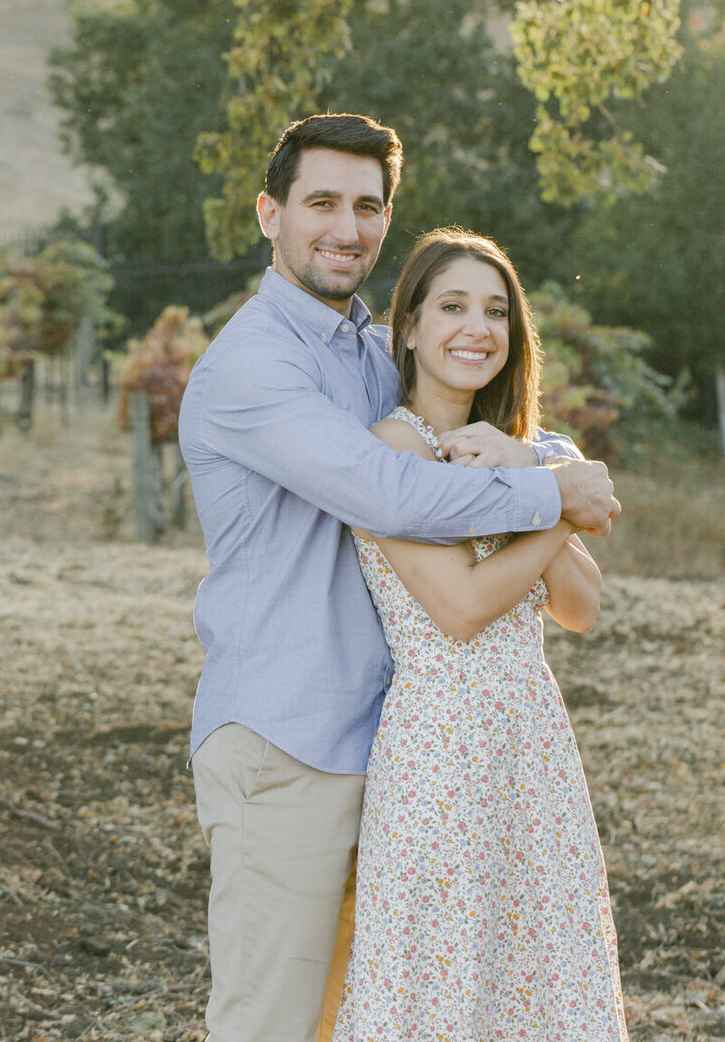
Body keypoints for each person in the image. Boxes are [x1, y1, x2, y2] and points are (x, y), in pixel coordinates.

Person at [178, 112, 621, 1042]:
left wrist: (522, 461)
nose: (348, 227)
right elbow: (392, 492)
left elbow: (455, 428)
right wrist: (551, 489)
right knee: (273, 1024)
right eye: (321, 203)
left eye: (368, 207)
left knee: (378, 1015)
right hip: (286, 740)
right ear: (270, 213)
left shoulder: (367, 352)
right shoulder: (255, 365)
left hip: (394, 743)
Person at [328, 227, 628, 1042]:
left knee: (537, 978)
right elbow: (458, 610)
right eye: (452, 306)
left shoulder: (522, 448)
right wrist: (550, 496)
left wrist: (528, 469)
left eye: (496, 311)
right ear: (412, 329)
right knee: (444, 985)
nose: (477, 327)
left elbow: (580, 608)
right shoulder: (390, 449)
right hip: (440, 751)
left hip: (531, 744)